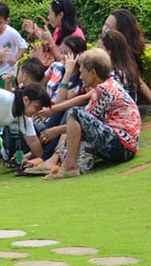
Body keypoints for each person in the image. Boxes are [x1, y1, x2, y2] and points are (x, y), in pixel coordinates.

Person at [45, 48, 141, 180]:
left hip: (122, 146)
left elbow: (78, 123)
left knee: (75, 112)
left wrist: (55, 131)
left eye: (82, 72)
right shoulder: (108, 84)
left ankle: (68, 166)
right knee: (77, 117)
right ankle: (67, 164)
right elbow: (82, 117)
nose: (80, 76)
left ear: (93, 73)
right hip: (125, 146)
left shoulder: (103, 90)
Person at [102, 9, 151, 111]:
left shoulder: (124, 53)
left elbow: (138, 80)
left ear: (121, 31)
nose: (104, 29)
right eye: (105, 24)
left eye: (109, 27)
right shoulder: (105, 44)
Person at [23, 0, 84, 64]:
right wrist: (36, 31)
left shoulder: (76, 34)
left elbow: (65, 62)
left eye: (50, 13)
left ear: (60, 15)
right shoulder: (58, 30)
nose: (48, 17)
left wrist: (50, 42)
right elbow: (53, 50)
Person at [0, 2, 27, 88]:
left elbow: (23, 46)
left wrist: (15, 58)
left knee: (4, 95)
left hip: (7, 71)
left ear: (7, 21)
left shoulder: (12, 33)